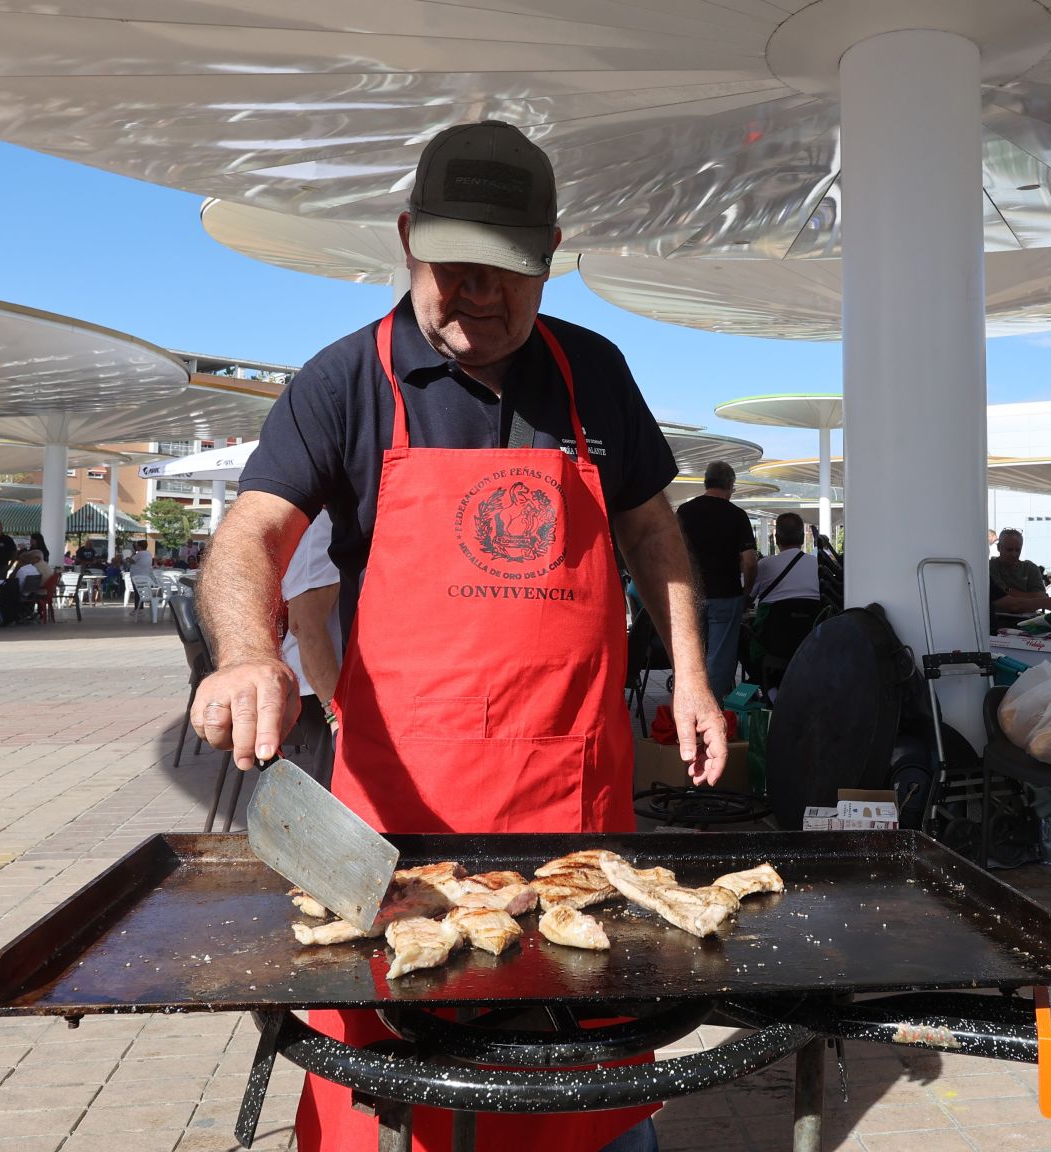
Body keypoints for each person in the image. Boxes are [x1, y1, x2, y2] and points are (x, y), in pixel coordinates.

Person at [191, 119, 719, 1152]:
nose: (478, 294)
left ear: (552, 256)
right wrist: (249, 655)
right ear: (405, 241)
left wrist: (691, 676)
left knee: (583, 1062)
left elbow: (651, 526)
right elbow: (253, 529)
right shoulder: (346, 380)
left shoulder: (594, 370)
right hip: (399, 817)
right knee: (391, 1065)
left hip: (572, 796)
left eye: (507, 275)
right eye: (454, 270)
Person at [676, 459, 756, 700]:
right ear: (730, 485)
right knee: (720, 658)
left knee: (692, 654)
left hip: (691, 595)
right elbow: (750, 562)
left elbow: (673, 554)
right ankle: (712, 709)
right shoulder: (737, 515)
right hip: (726, 593)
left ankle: (688, 705)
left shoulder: (684, 512)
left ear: (705, 483)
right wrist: (746, 593)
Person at [282, 512, 344, 781]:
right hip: (324, 690)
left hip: (335, 688)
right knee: (339, 790)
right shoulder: (327, 527)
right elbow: (305, 626)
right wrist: (335, 714)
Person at [752, 512, 820, 605]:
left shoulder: (764, 565)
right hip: (812, 618)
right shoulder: (817, 564)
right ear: (803, 537)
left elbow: (750, 595)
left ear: (776, 538)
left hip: (773, 618)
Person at [989, 529, 1048, 596]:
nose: (1014, 554)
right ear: (999, 547)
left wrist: (1012, 594)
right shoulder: (991, 567)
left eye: (1017, 550)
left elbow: (1041, 595)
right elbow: (1003, 594)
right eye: (1009, 550)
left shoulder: (1030, 568)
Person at [127, 541, 157, 607]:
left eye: (137, 545)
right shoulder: (148, 553)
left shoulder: (139, 554)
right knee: (141, 592)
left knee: (137, 593)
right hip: (145, 576)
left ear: (139, 546)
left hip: (136, 576)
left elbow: (131, 561)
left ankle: (137, 608)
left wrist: (129, 557)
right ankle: (141, 607)